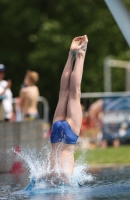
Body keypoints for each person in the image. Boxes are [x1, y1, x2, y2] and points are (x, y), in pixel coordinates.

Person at [46, 35, 88, 184]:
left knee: (73, 92)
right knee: (64, 92)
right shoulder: (51, 175)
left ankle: (80, 54)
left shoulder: (58, 175)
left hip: (67, 137)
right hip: (56, 134)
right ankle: (71, 55)